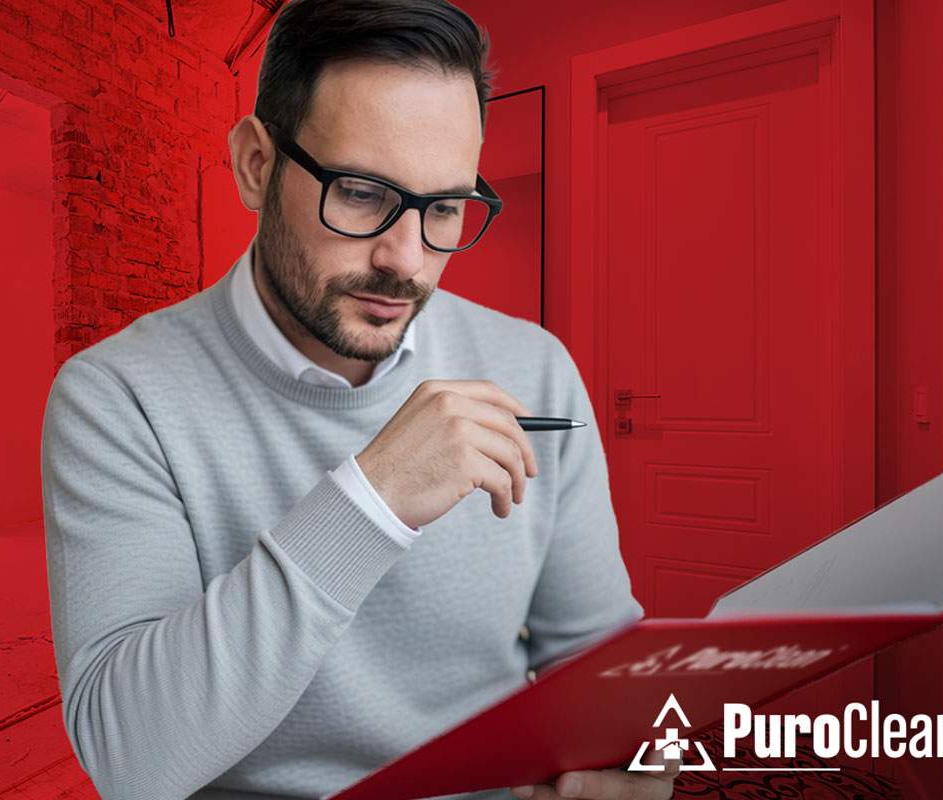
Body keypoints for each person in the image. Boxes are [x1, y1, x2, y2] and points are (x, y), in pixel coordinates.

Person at [40, 1, 678, 798]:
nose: (405, 260)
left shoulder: (534, 368)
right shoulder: (119, 397)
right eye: (362, 193)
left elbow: (601, 663)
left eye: (443, 207)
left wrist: (640, 761)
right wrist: (371, 502)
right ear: (255, 166)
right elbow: (130, 760)